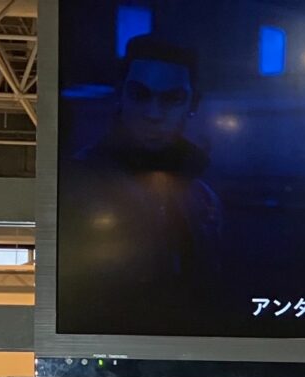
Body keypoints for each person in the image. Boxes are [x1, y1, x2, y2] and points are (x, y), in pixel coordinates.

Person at [58, 34, 221, 333]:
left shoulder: (202, 198)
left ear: (192, 103)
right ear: (120, 95)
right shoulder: (75, 186)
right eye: (139, 95)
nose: (153, 114)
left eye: (172, 98)